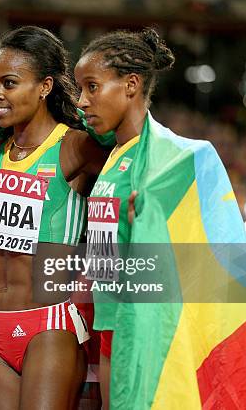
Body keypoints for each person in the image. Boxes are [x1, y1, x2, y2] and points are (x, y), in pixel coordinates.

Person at [0, 26, 108, 410]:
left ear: (45, 86)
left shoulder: (74, 146)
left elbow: (129, 173)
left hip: (49, 324)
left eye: (9, 83)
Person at [73, 28, 175, 409]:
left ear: (131, 85)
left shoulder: (162, 157)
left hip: (139, 324)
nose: (83, 101)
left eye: (92, 87)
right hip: (106, 316)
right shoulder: (115, 155)